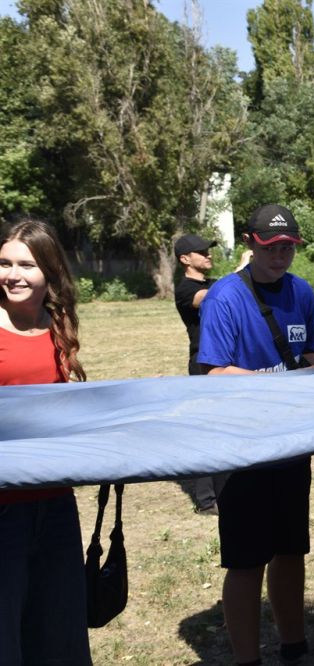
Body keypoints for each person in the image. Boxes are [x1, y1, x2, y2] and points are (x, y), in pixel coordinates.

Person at [198, 204, 314, 666]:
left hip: (291, 444)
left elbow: (309, 354)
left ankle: (294, 650)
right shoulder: (224, 297)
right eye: (271, 247)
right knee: (246, 560)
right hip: (242, 449)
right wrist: (274, 385)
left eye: (288, 248)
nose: (280, 256)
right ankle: (246, 661)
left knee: (291, 549)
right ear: (251, 244)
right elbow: (214, 372)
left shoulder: (302, 293)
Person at [0, 219, 91, 665]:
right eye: (4, 263)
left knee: (59, 633)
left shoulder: (56, 324)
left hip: (55, 504)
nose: (12, 275)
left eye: (25, 265)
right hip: (4, 509)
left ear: (50, 273)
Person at [173, 233, 228, 514]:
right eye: (201, 252)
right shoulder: (185, 290)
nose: (208, 255)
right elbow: (213, 300)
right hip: (203, 362)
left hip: (222, 361)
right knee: (208, 431)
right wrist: (244, 270)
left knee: (225, 427)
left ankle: (225, 491)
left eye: (208, 250)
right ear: (185, 259)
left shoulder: (212, 283)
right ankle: (207, 501)